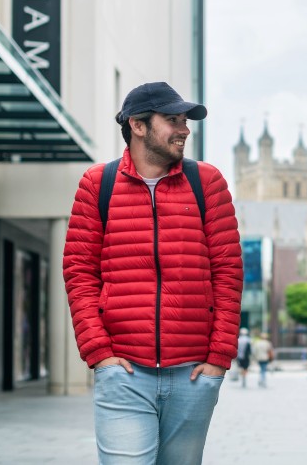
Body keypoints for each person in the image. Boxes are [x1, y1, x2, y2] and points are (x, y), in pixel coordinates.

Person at [63, 81, 243, 465]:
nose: (184, 129)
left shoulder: (206, 182)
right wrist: (100, 353)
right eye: (173, 119)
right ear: (138, 125)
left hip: (194, 374)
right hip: (124, 372)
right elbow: (78, 272)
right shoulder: (98, 184)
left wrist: (218, 357)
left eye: (184, 120)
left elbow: (228, 272)